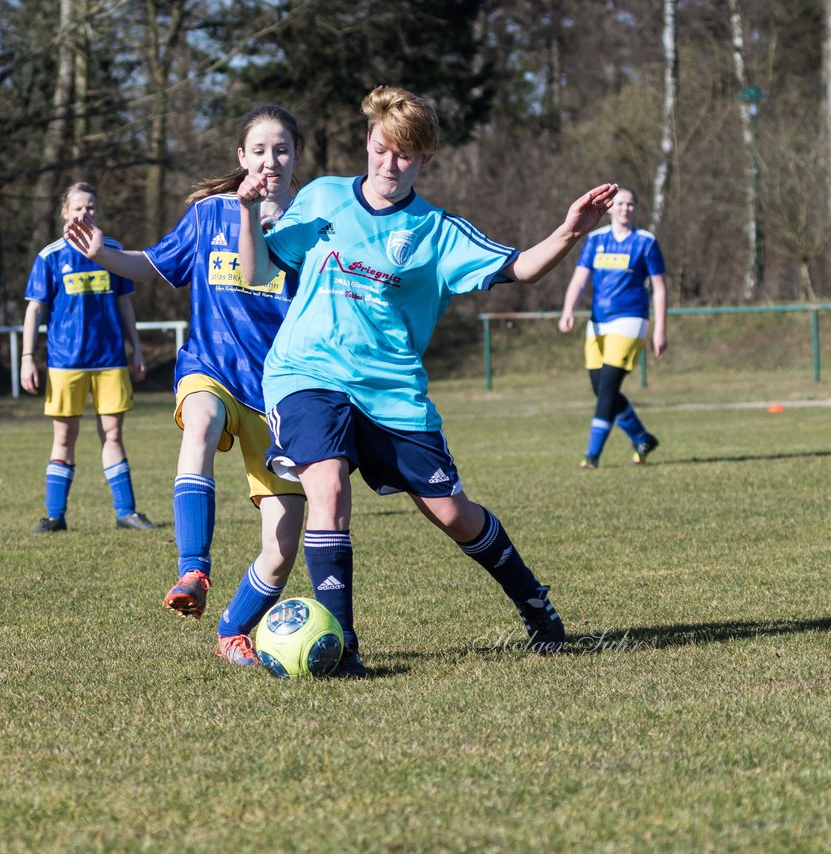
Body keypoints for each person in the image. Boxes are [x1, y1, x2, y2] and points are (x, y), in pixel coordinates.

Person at [238, 85, 618, 675]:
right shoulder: (321, 198)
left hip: (390, 392)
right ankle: (344, 650)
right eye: (383, 149)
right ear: (368, 142)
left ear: (425, 160)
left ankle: (536, 606)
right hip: (305, 372)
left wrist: (571, 231)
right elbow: (260, 268)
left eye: (407, 155)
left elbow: (518, 267)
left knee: (452, 513)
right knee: (329, 491)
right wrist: (244, 212)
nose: (391, 164)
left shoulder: (438, 231)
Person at [65, 106, 306, 668]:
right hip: (211, 368)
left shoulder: (313, 226)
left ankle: (232, 629)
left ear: (296, 157)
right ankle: (193, 568)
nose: (272, 161)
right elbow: (152, 266)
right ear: (241, 158)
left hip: (278, 393)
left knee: (283, 544)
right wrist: (101, 253)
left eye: (283, 150)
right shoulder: (209, 216)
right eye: (261, 150)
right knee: (198, 423)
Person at [21, 182, 157, 533]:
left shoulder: (112, 252)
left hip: (110, 360)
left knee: (112, 435)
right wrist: (26, 356)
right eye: (78, 208)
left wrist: (136, 348)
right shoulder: (49, 257)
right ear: (65, 213)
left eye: (91, 207)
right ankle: (55, 516)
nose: (85, 214)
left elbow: (125, 303)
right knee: (64, 438)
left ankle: (126, 512)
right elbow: (35, 309)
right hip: (65, 363)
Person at [558, 186, 668, 468]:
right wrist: (569, 309)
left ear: (635, 208)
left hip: (631, 319)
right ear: (610, 207)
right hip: (598, 323)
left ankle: (592, 455)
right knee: (600, 388)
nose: (624, 208)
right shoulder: (594, 240)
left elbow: (658, 288)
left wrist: (659, 328)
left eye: (630, 204)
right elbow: (580, 279)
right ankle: (642, 438)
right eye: (619, 204)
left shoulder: (645, 241)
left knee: (607, 388)